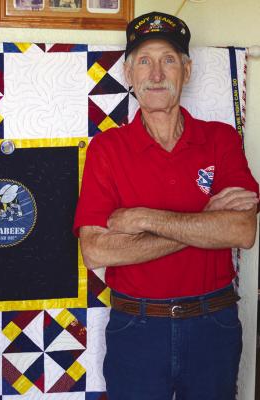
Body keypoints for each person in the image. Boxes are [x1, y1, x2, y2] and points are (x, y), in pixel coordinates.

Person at [73, 11, 259, 400]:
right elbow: (95, 251)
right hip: (136, 326)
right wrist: (206, 221)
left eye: (168, 60)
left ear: (186, 71)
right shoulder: (107, 148)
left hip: (214, 325)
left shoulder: (220, 139)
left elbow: (242, 231)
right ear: (128, 73)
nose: (156, 74)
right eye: (144, 61)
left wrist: (142, 219)